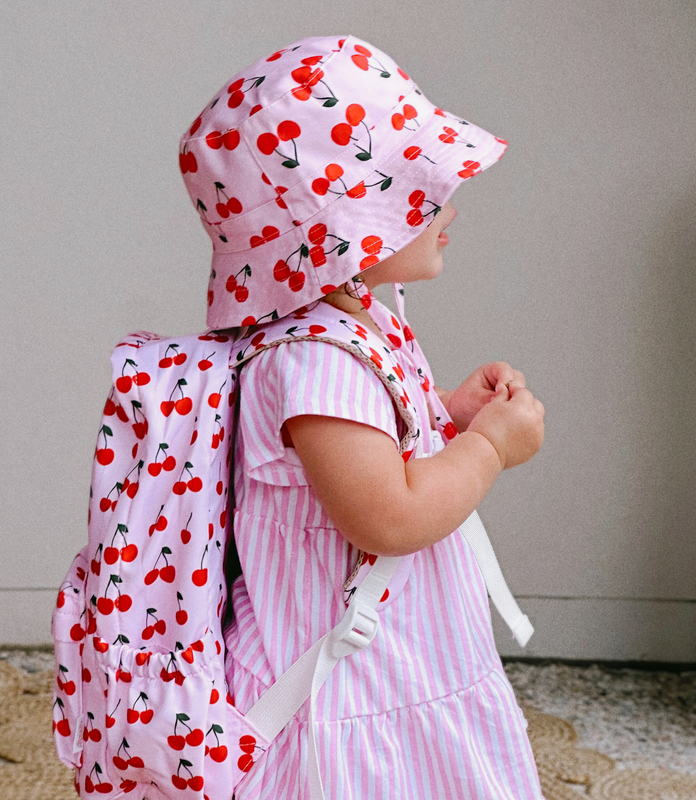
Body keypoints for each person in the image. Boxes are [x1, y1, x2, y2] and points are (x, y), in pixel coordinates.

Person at [179, 34, 545, 799]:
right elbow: (388, 515)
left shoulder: (354, 322)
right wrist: (487, 449)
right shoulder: (317, 357)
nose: (449, 203)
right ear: (342, 231)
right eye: (417, 191)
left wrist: (446, 412)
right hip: (352, 689)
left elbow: (371, 449)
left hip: (398, 660)